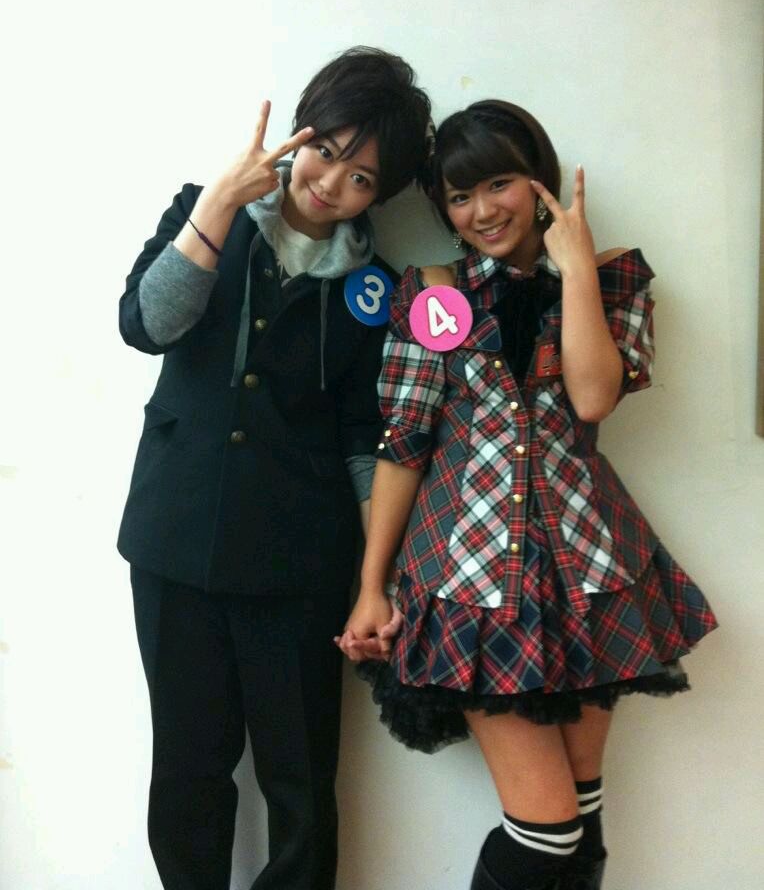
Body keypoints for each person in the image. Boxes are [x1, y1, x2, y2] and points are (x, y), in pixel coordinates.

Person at [338, 100, 718, 890]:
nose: (482, 211)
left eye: (498, 184)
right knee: (546, 833)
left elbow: (592, 397)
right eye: (460, 196)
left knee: (582, 824)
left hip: (588, 576)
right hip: (472, 583)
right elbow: (404, 443)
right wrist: (374, 585)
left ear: (538, 180)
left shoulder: (609, 281)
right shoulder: (436, 294)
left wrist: (574, 270)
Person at [117, 46, 431, 890]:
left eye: (361, 178)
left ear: (380, 195)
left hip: (300, 565)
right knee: (187, 772)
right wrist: (220, 202)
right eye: (325, 151)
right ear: (299, 132)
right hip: (176, 541)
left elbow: (366, 439)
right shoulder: (203, 211)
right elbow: (146, 325)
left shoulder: (376, 291)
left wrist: (376, 580)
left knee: (301, 785)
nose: (331, 183)